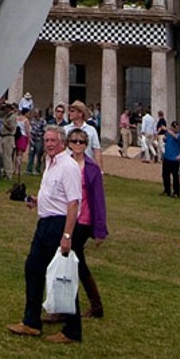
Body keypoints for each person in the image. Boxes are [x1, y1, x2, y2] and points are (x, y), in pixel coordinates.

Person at [7, 123, 81, 340]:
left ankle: (72, 330)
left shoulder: (68, 166)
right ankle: (31, 321)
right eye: (46, 140)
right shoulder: (51, 163)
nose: (48, 144)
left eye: (53, 141)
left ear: (62, 142)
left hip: (57, 225)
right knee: (34, 269)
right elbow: (53, 195)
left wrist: (67, 235)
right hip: (45, 221)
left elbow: (73, 203)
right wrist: (34, 201)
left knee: (61, 273)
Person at [60, 122, 108, 327]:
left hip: (84, 219)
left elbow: (98, 200)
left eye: (82, 142)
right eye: (74, 141)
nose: (78, 144)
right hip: (66, 217)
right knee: (71, 261)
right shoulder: (63, 163)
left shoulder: (92, 169)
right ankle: (82, 305)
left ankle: (90, 305)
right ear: (69, 144)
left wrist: (100, 230)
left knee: (74, 259)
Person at [62, 100, 102, 168]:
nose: (69, 113)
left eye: (72, 111)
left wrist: (100, 170)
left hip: (87, 166)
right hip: (69, 167)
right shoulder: (65, 129)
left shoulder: (91, 130)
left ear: (80, 113)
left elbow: (96, 150)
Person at [161, 121, 180, 198]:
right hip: (167, 157)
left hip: (174, 159)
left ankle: (176, 192)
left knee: (175, 176)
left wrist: (167, 130)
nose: (175, 129)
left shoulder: (179, 135)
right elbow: (165, 140)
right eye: (173, 127)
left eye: (176, 128)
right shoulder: (168, 134)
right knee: (165, 175)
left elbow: (176, 137)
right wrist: (164, 137)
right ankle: (167, 190)